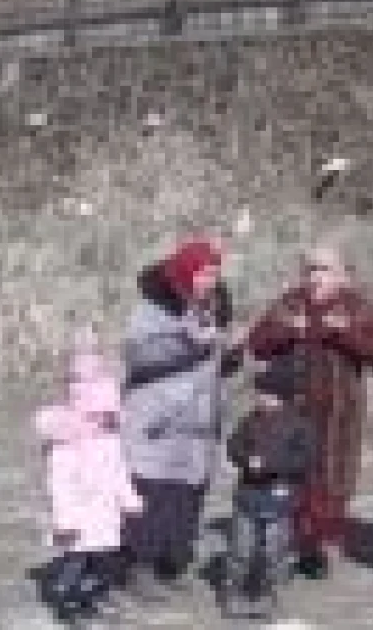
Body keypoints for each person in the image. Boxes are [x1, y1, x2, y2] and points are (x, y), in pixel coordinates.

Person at [244, 245, 373, 578]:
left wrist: (344, 332)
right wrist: (287, 330)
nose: (315, 276)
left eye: (323, 269)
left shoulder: (359, 306)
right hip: (293, 409)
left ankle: (324, 542)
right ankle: (291, 539)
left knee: (333, 475)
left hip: (340, 411)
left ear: (342, 274)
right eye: (310, 268)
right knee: (292, 471)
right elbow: (257, 341)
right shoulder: (289, 302)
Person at [118, 237, 241, 599]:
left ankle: (171, 566)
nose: (211, 280)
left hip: (197, 424)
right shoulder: (153, 308)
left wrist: (230, 355)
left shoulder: (213, 307)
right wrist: (190, 344)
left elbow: (211, 357)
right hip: (156, 421)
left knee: (186, 498)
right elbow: (139, 354)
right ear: (187, 272)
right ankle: (138, 570)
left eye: (215, 273)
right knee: (151, 497)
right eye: (205, 273)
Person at [32, 341, 144, 622]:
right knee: (75, 562)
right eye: (102, 414)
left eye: (111, 414)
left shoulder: (110, 442)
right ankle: (65, 602)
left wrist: (128, 499)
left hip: (104, 515)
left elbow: (119, 473)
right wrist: (65, 519)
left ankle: (90, 598)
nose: (107, 420)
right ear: (88, 410)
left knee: (101, 562)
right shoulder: (67, 443)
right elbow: (59, 485)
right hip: (77, 518)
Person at [220, 354, 317, 619]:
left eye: (267, 395)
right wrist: (244, 459)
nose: (261, 399)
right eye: (260, 394)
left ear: (282, 397)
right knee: (240, 550)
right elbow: (233, 445)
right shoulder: (250, 420)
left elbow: (306, 458)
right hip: (247, 497)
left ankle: (271, 600)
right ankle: (233, 594)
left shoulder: (300, 425)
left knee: (275, 553)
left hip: (280, 499)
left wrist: (271, 464)